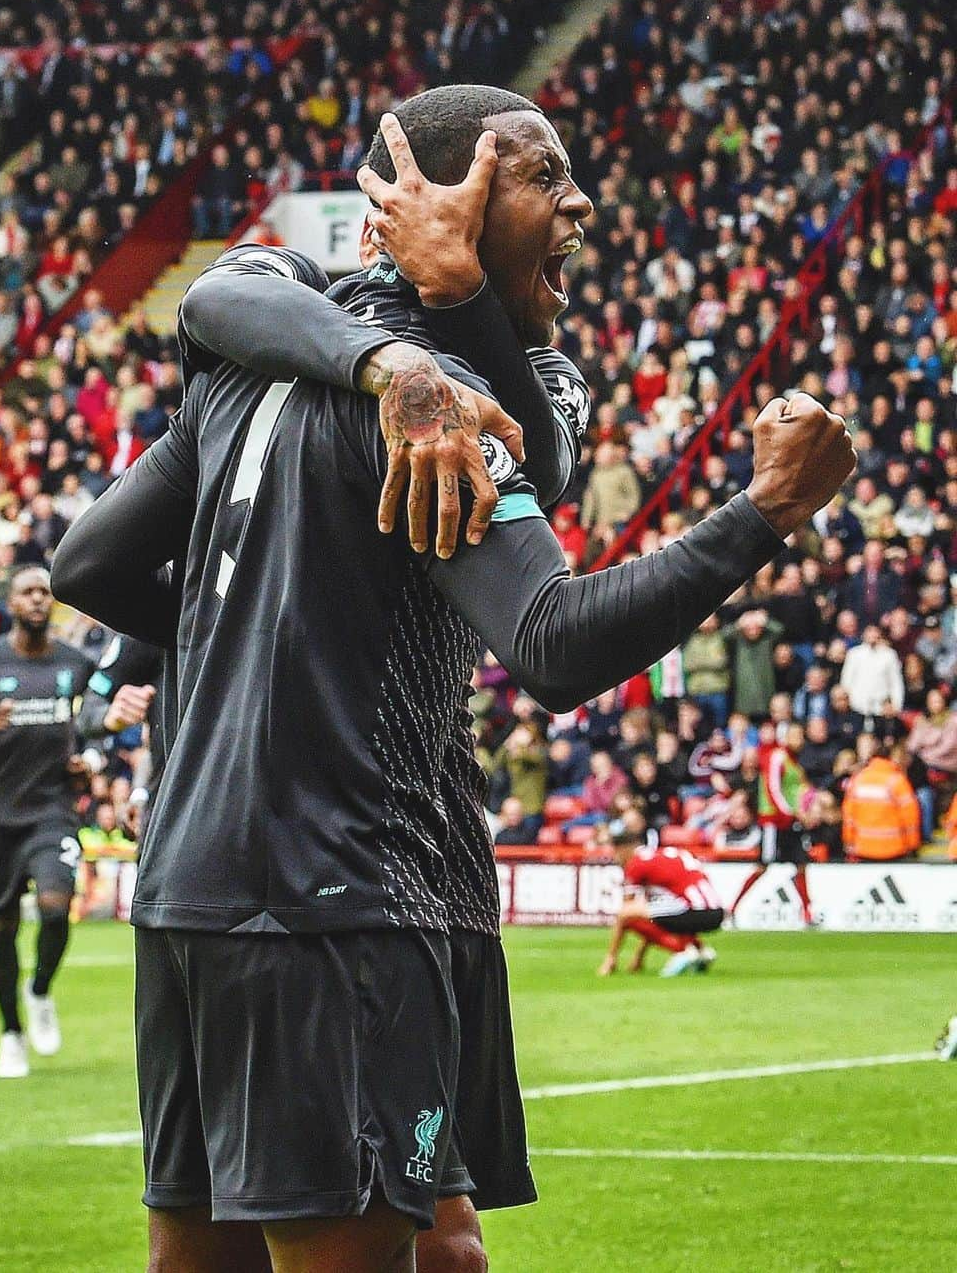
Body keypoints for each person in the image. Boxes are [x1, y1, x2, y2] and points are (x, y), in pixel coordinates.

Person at [52, 86, 854, 1273]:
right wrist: (766, 512)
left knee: (399, 1248)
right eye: (543, 176)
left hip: (199, 883)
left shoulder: (261, 357)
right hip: (345, 892)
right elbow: (555, 640)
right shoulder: (433, 403)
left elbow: (89, 557)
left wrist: (262, 651)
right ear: (439, 198)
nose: (579, 200)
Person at [0, 568, 136, 1079]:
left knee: (54, 907)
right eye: (27, 592)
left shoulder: (76, 663)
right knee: (2, 927)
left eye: (45, 592)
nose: (37, 599)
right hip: (0, 814)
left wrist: (90, 761)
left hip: (54, 810)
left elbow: (98, 723)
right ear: (12, 604)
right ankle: (11, 1033)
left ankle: (41, 990)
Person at [598, 814, 724, 977]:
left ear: (624, 849)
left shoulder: (636, 864)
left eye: (615, 853)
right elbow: (654, 920)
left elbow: (627, 911)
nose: (615, 858)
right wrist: (639, 956)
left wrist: (611, 958)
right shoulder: (662, 855)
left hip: (692, 909)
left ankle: (684, 952)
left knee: (625, 914)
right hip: (715, 912)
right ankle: (700, 951)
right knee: (655, 915)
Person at [728, 723, 814, 925]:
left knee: (800, 864)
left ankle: (807, 912)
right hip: (773, 822)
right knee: (762, 865)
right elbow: (773, 789)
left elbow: (800, 790)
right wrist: (791, 813)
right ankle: (732, 908)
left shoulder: (795, 762)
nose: (799, 740)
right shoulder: (778, 757)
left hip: (790, 821)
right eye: (795, 735)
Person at [842, 748, 920, 862]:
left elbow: (849, 816)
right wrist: (912, 845)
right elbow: (910, 817)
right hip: (894, 848)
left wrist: (849, 841)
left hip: (864, 847)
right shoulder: (897, 781)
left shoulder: (858, 780)